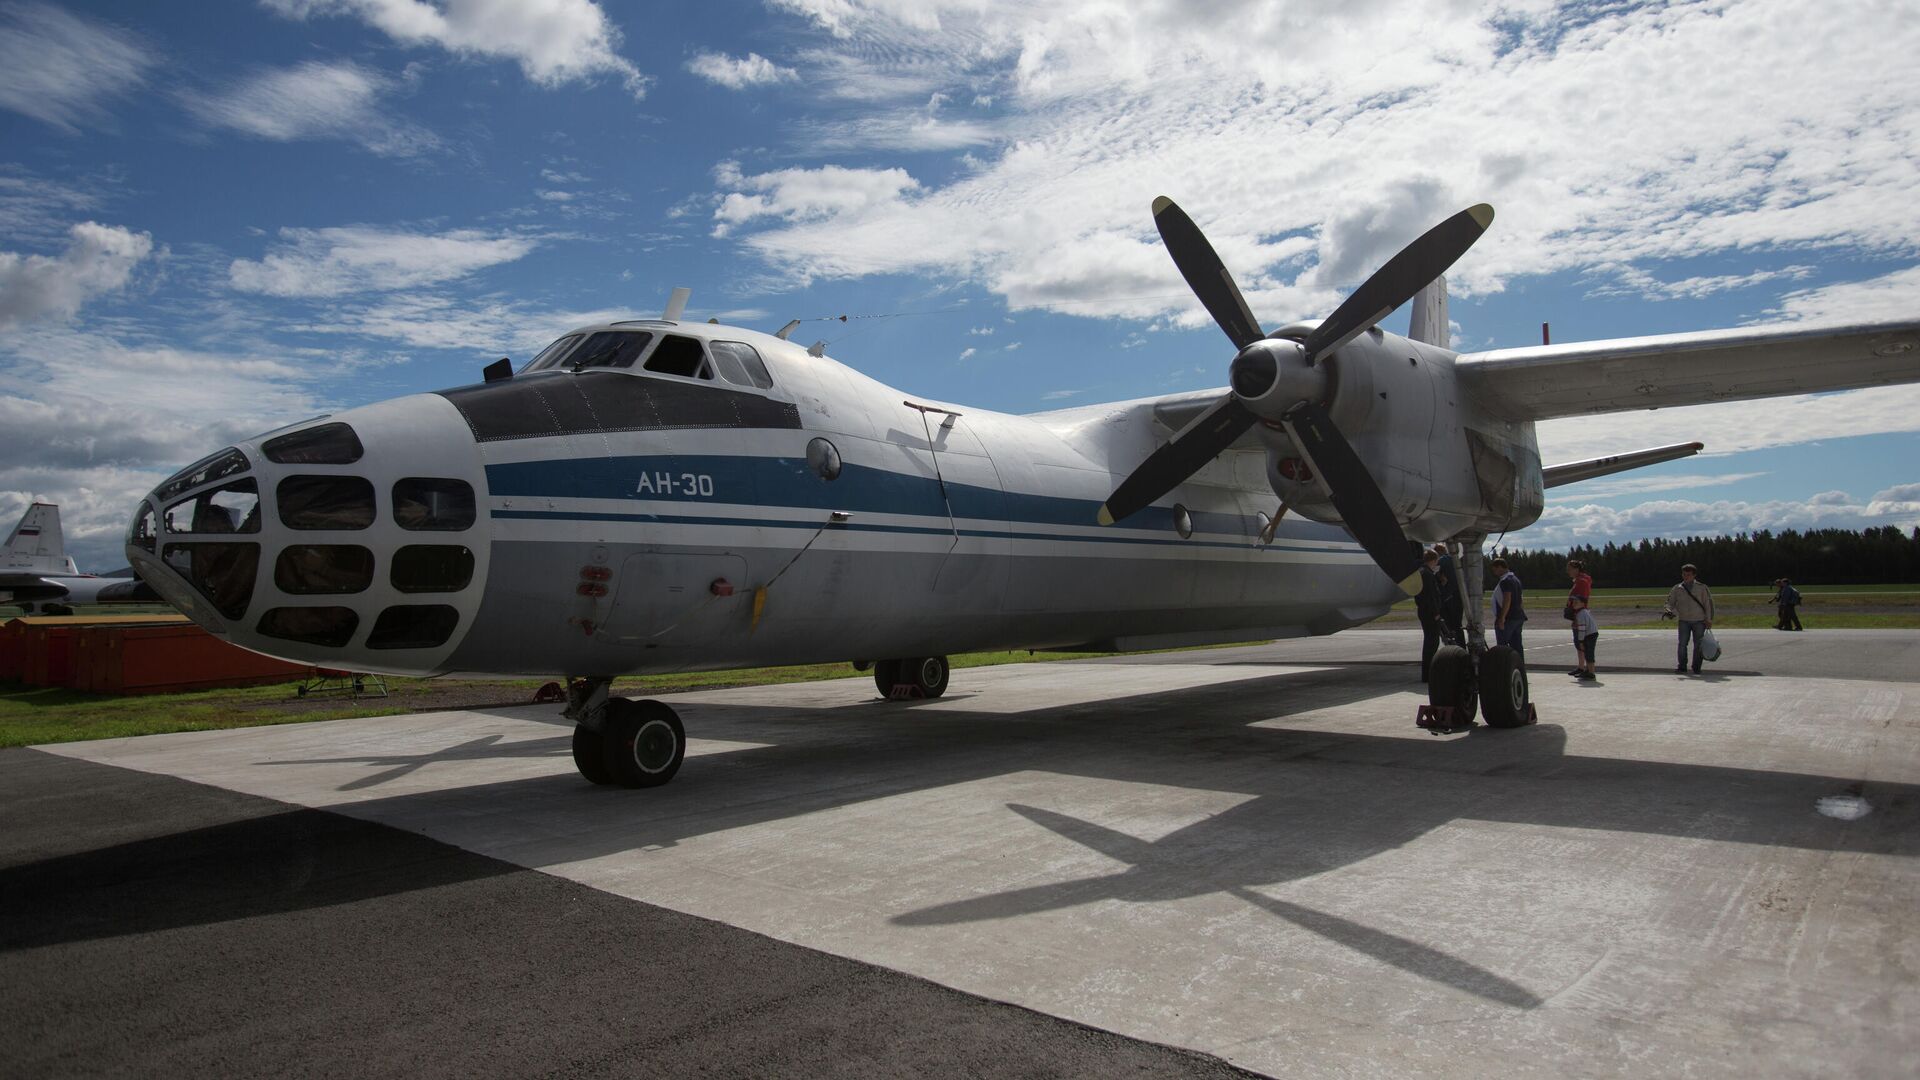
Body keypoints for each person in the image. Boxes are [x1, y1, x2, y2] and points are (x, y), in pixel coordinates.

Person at [1662, 563, 1714, 674]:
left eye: (1688, 575)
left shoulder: (1702, 587)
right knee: (1682, 644)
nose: (1686, 577)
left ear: (1694, 575)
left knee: (1698, 645)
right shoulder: (1677, 588)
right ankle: (1682, 666)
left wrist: (1709, 619)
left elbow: (1708, 604)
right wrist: (1668, 610)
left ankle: (1696, 667)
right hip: (1684, 621)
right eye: (1684, 574)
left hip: (1699, 621)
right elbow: (1669, 602)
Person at [1416, 548, 1444, 681]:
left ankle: (1427, 673)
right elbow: (1430, 596)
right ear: (1433, 560)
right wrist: (1436, 612)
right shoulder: (1427, 574)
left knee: (1430, 641)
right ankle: (1427, 673)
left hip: (1424, 611)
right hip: (1430, 613)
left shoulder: (1422, 573)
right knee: (1431, 642)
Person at [1490, 556, 1525, 661]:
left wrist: (1502, 617)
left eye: (1495, 569)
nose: (1494, 572)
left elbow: (1507, 599)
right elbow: (1520, 599)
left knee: (1503, 646)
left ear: (1500, 567)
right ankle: (1519, 665)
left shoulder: (1506, 581)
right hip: (1518, 616)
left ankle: (1504, 666)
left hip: (1508, 618)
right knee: (1517, 645)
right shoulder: (1515, 579)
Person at [1565, 558, 1593, 676]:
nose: (1568, 572)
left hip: (1579, 613)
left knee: (1581, 642)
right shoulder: (1580, 580)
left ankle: (1586, 668)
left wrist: (1574, 611)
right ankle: (1581, 666)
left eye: (1570, 569)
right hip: (1577, 613)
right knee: (1578, 642)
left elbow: (1581, 599)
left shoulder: (1581, 582)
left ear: (1577, 569)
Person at [1433, 544, 1463, 645]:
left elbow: (1438, 578)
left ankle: (1453, 647)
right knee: (1457, 626)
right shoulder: (1455, 560)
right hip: (1458, 597)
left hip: (1447, 600)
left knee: (1448, 627)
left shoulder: (1440, 562)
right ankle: (1461, 646)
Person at [1569, 594, 1598, 680]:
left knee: (1589, 654)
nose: (1574, 603)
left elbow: (1582, 629)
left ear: (1582, 603)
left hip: (1589, 635)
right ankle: (1588, 670)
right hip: (1591, 634)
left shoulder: (1581, 614)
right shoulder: (1584, 611)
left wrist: (1581, 641)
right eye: (1573, 602)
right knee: (1587, 653)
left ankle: (1591, 673)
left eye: (1576, 602)